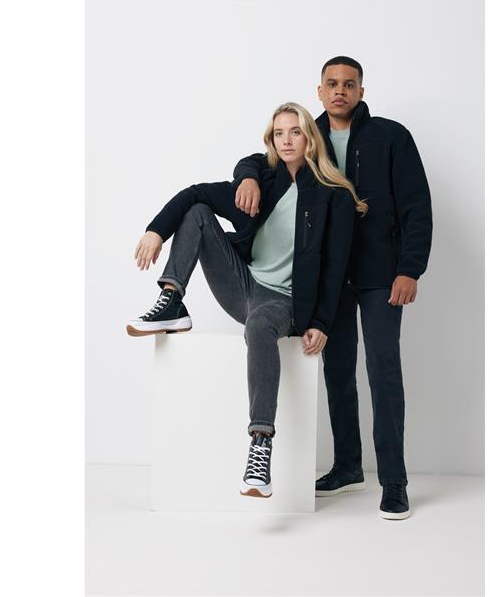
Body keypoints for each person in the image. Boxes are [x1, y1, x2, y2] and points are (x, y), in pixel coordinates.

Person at [127, 102, 364, 499]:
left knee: (259, 324)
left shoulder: (334, 196)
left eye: (295, 131)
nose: (286, 140)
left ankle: (260, 446)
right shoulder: (263, 183)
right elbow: (194, 194)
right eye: (278, 133)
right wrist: (156, 232)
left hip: (286, 303)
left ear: (310, 138)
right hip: (244, 286)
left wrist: (321, 322)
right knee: (198, 211)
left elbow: (336, 268)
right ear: (271, 140)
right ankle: (172, 300)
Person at [233, 57, 433, 519]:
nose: (340, 91)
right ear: (320, 92)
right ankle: (347, 467)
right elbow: (262, 157)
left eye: (349, 84)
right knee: (337, 373)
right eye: (331, 84)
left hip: (381, 277)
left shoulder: (391, 136)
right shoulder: (309, 134)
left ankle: (394, 482)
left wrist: (410, 269)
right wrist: (247, 175)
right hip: (328, 278)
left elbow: (417, 206)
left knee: (383, 372)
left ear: (361, 91)